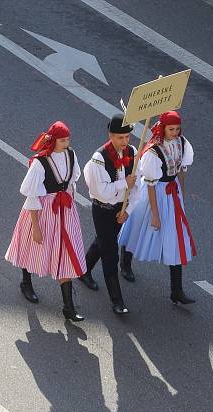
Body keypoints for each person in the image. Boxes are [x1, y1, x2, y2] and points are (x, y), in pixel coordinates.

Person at [5, 121, 87, 322]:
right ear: (53, 140)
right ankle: (26, 282)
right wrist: (35, 226)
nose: (66, 143)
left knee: (66, 252)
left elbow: (72, 180)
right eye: (62, 140)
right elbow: (31, 195)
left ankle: (68, 307)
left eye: (67, 139)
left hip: (64, 210)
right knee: (33, 247)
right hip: (43, 210)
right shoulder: (40, 162)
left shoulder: (70, 154)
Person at [117, 111, 197, 305]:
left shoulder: (182, 143)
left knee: (175, 238)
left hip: (171, 193)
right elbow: (151, 184)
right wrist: (155, 214)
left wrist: (181, 194)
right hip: (153, 193)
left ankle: (176, 290)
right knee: (138, 228)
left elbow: (181, 171)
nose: (175, 132)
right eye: (171, 129)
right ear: (163, 128)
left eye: (177, 129)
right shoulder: (153, 152)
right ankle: (125, 261)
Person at [80, 114, 137, 315]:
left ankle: (84, 270)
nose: (125, 142)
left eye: (127, 137)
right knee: (110, 252)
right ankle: (117, 301)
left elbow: (137, 189)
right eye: (120, 138)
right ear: (111, 135)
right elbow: (101, 192)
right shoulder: (99, 159)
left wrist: (127, 212)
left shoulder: (132, 152)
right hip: (103, 210)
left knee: (104, 241)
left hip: (121, 209)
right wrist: (124, 183)